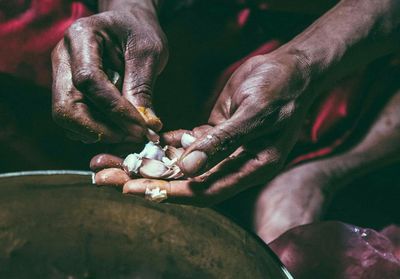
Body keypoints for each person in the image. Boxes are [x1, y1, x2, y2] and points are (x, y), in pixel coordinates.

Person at [50, 0, 400, 244]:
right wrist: (130, 8)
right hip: (196, 32)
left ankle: (319, 171)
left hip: (357, 50)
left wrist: (305, 61)